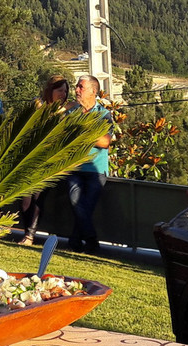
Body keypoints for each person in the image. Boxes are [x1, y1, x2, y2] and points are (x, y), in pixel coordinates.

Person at [17, 75, 70, 245]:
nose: (63, 94)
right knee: (26, 199)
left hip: (49, 160)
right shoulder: (38, 104)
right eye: (59, 90)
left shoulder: (67, 111)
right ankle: (26, 232)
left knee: (38, 197)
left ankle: (30, 235)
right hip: (31, 157)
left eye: (65, 91)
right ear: (50, 91)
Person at [64, 75, 113, 253]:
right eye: (76, 86)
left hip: (96, 170)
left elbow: (104, 142)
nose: (76, 90)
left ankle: (75, 242)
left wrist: (79, 131)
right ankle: (91, 242)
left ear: (93, 91)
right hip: (74, 167)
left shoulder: (104, 114)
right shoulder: (71, 112)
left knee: (86, 206)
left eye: (81, 87)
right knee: (76, 201)